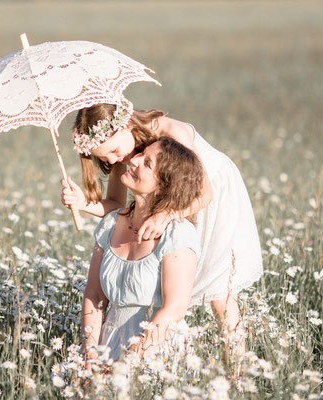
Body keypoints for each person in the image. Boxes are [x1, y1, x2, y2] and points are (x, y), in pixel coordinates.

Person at [64, 97, 263, 360]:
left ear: (123, 124)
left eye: (114, 151)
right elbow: (115, 203)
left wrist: (167, 215)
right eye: (107, 158)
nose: (117, 159)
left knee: (218, 290)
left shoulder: (170, 133)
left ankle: (237, 368)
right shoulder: (126, 155)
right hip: (162, 195)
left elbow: (202, 194)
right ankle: (156, 345)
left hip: (207, 191)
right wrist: (83, 203)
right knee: (163, 278)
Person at [81, 137, 203, 363]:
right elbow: (95, 295)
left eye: (147, 163)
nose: (134, 159)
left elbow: (174, 310)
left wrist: (129, 361)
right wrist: (89, 353)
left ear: (164, 186)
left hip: (154, 352)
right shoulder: (110, 224)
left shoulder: (177, 233)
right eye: (141, 153)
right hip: (107, 346)